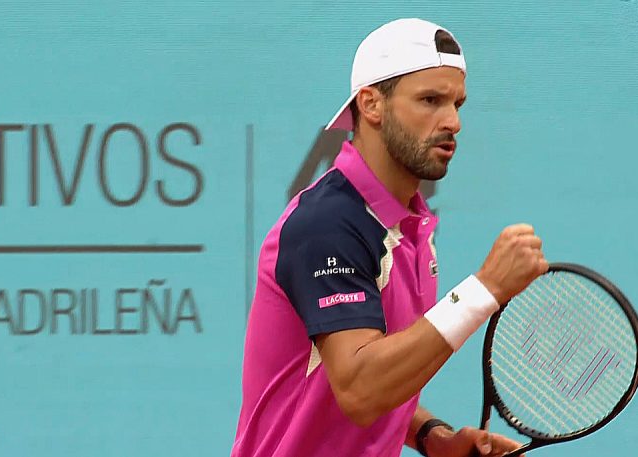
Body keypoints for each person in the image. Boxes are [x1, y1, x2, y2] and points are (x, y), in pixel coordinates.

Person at [230, 18, 548, 457]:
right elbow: (360, 389)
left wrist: (431, 436)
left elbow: (362, 369)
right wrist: (485, 289)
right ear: (371, 104)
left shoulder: (408, 227)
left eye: (457, 103)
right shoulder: (327, 225)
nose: (453, 122)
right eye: (430, 100)